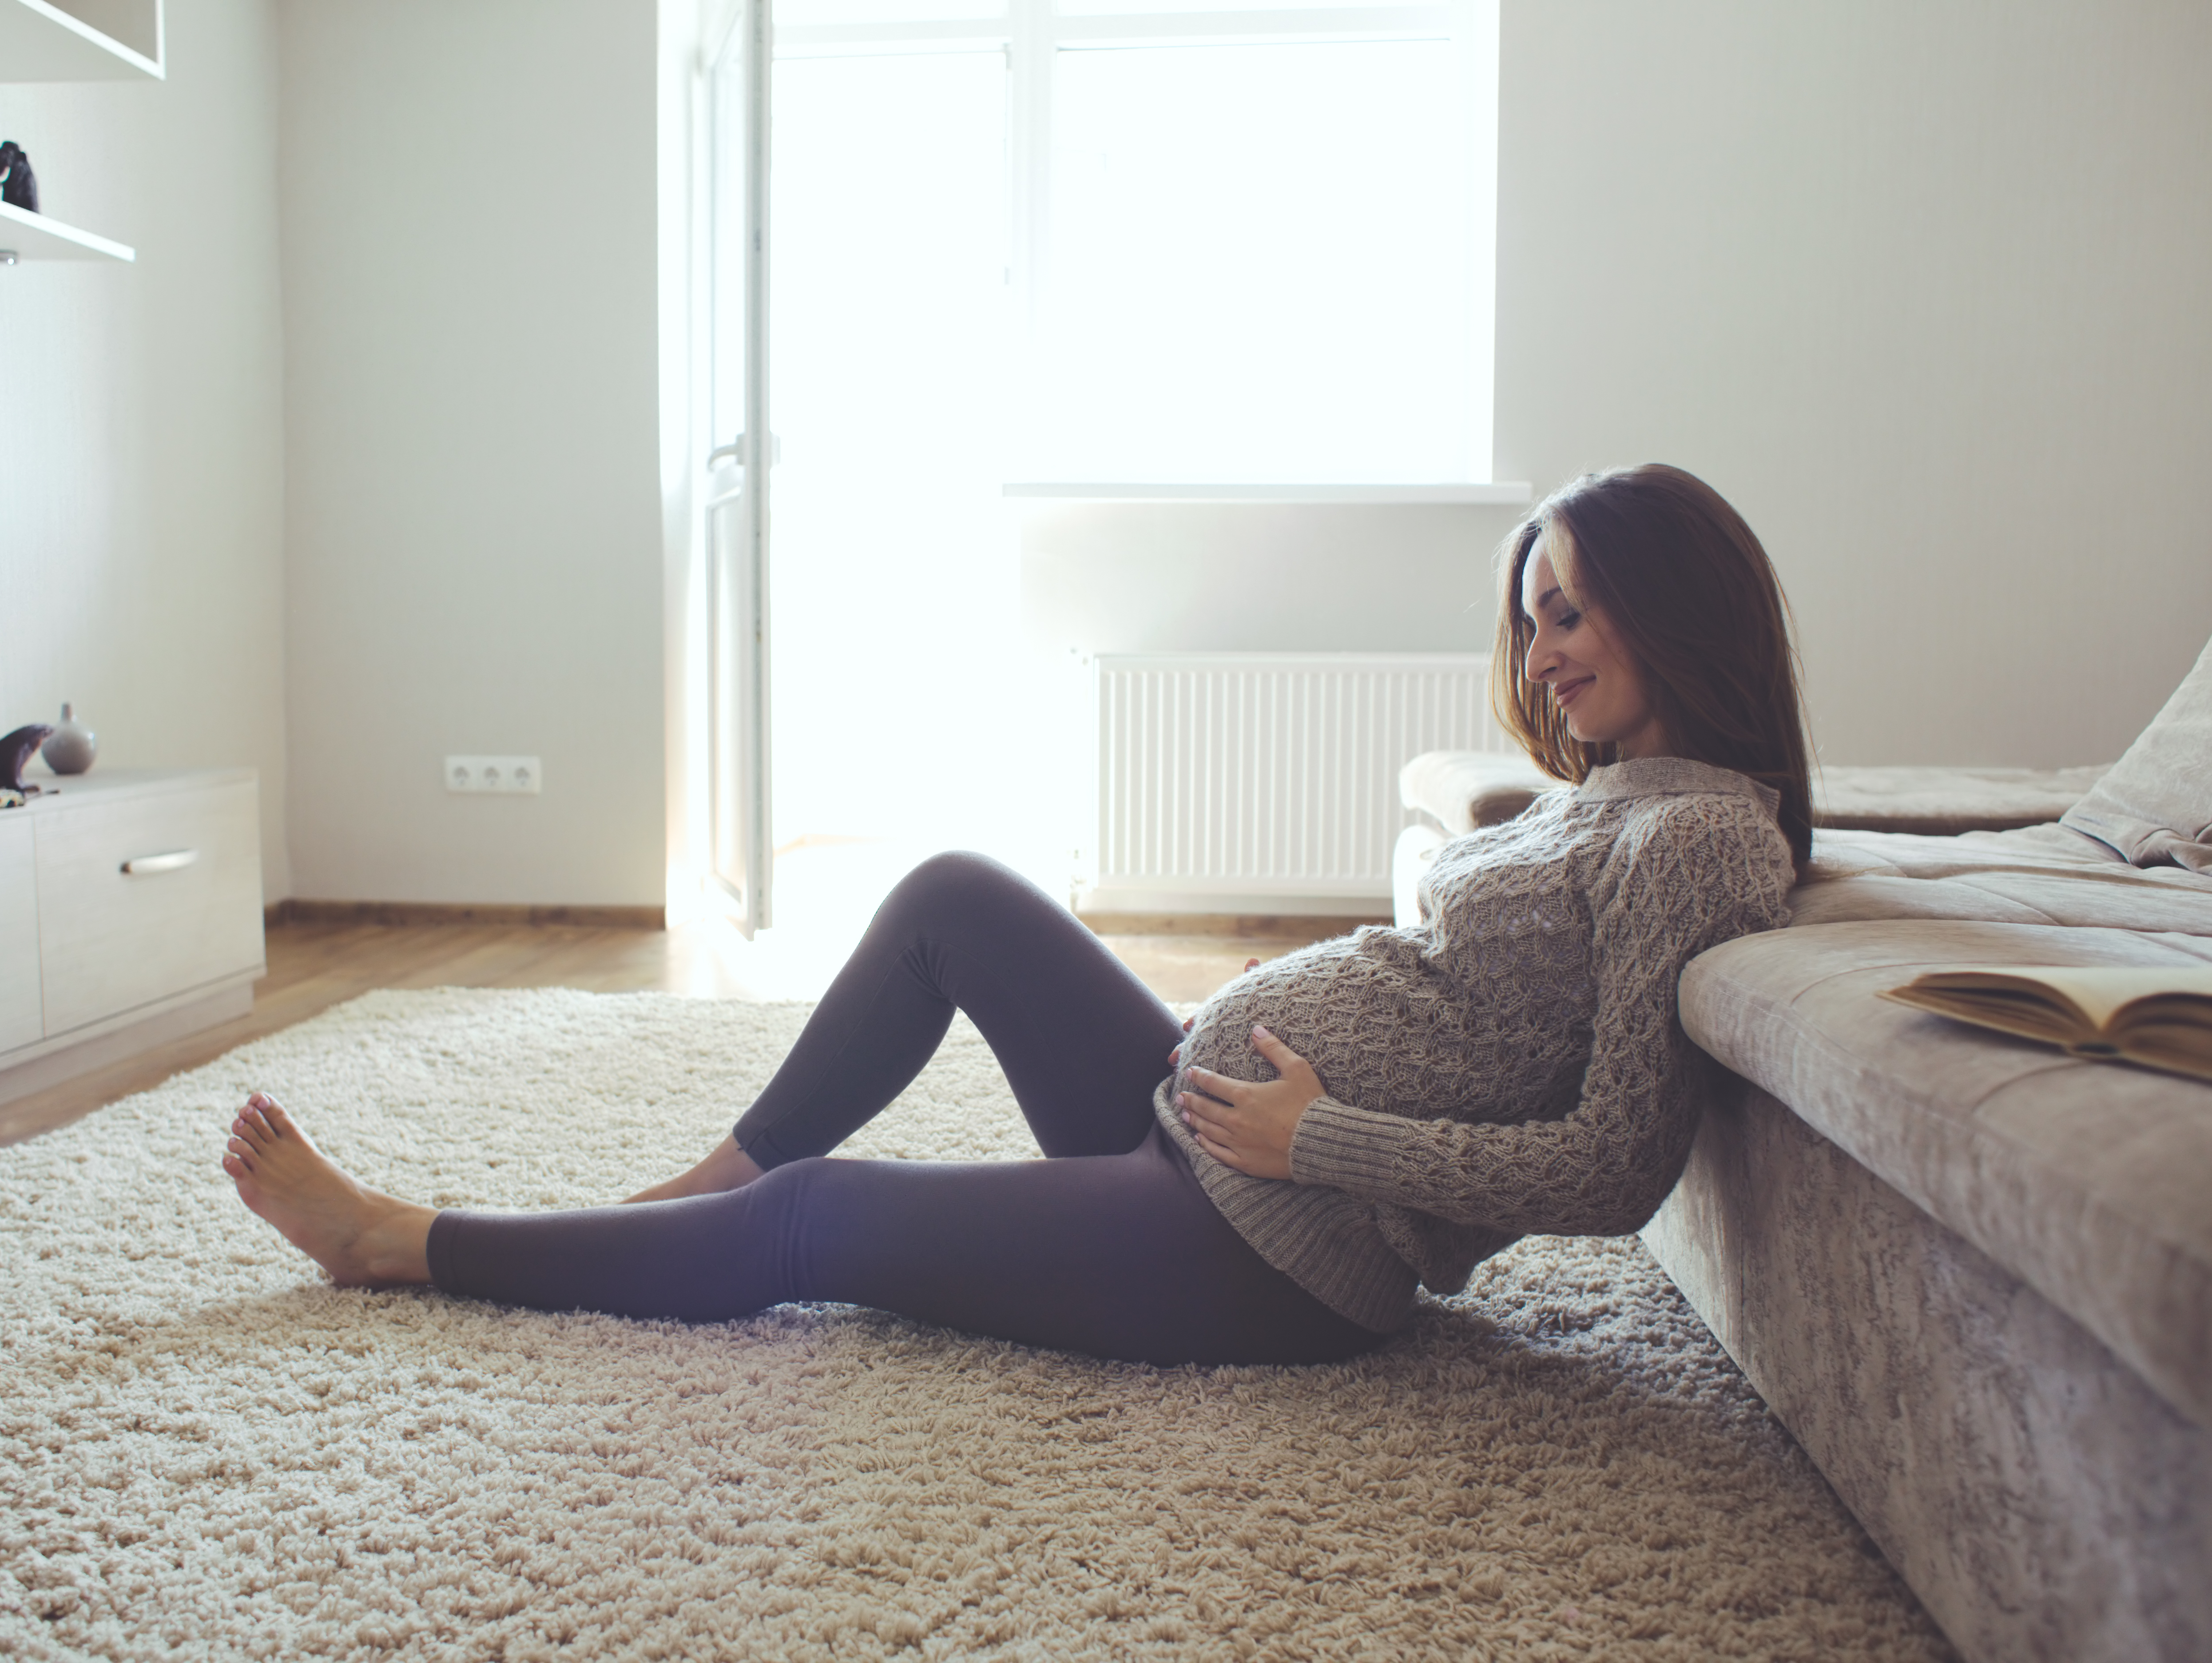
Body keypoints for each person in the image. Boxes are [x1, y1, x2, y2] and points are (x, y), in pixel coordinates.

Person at [221, 463, 1809, 1368]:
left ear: (1675, 605)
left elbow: (1615, 1165)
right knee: (951, 897)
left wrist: (1314, 1142)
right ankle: (703, 1179)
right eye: (1533, 618)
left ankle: (399, 1245)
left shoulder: (1697, 843)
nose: (1539, 655)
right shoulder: (1605, 799)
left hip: (1273, 1248)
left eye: (1570, 610)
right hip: (1202, 1133)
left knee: (826, 1222)